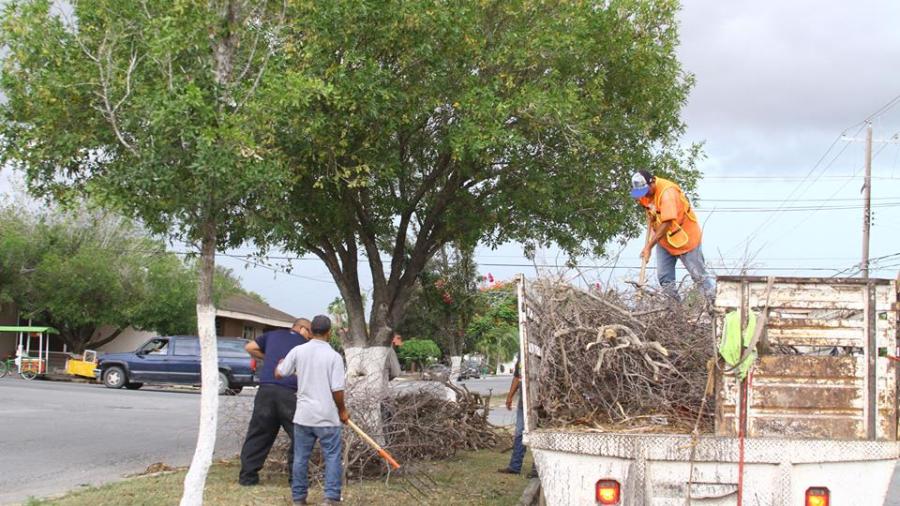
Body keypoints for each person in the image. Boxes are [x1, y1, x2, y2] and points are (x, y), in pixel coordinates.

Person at [276, 315, 349, 506]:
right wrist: (342, 410)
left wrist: (280, 364)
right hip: (326, 417)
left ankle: (298, 498)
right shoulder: (334, 357)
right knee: (332, 456)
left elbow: (280, 372)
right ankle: (331, 498)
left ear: (310, 331)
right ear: (329, 333)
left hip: (303, 416)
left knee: (301, 457)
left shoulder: (298, 351)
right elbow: (337, 389)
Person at [238, 318, 311, 486]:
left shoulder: (273, 335)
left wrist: (267, 356)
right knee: (299, 435)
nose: (309, 336)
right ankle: (296, 479)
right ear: (302, 329)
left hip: (266, 391)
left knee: (259, 433)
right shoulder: (305, 345)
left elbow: (249, 347)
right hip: (289, 393)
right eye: (310, 332)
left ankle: (247, 477)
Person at [630, 170, 715, 302]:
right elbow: (652, 213)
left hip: (686, 238)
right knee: (665, 278)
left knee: (699, 276)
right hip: (664, 240)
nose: (643, 195)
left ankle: (716, 308)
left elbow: (667, 222)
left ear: (652, 182)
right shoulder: (644, 194)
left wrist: (649, 247)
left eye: (645, 191)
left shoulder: (667, 193)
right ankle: (676, 312)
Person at [497, 358, 535, 477]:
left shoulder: (541, 352)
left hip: (539, 403)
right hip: (523, 403)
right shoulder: (522, 354)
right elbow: (517, 377)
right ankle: (515, 466)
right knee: (519, 433)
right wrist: (510, 397)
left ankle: (537, 469)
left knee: (537, 434)